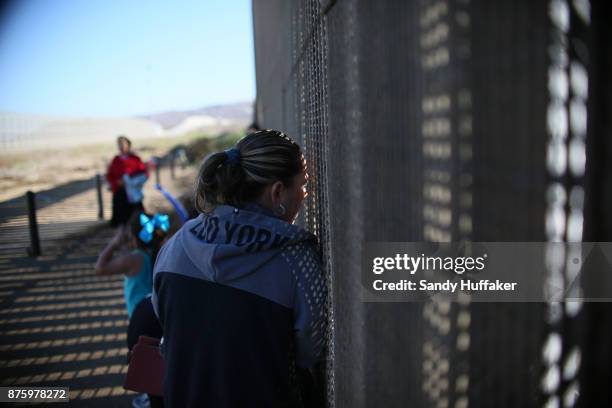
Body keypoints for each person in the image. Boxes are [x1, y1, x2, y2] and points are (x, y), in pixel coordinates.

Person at [151, 130, 327, 407]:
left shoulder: (175, 247)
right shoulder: (297, 259)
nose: (306, 194)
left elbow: (165, 320)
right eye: (302, 184)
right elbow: (309, 351)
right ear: (277, 191)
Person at [95, 211, 169, 408]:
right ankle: (156, 393)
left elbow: (100, 267)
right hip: (157, 312)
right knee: (155, 355)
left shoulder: (134, 259)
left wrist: (114, 243)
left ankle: (150, 394)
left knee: (143, 357)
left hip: (140, 317)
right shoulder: (160, 250)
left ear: (133, 236)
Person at [107, 135, 148, 228]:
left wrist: (131, 181)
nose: (121, 146)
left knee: (137, 219)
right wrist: (117, 182)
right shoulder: (116, 160)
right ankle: (122, 237)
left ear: (128, 145)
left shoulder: (135, 159)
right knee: (122, 221)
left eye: (123, 144)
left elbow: (143, 174)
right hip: (120, 194)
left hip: (134, 194)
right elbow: (110, 175)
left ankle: (135, 238)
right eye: (119, 144)